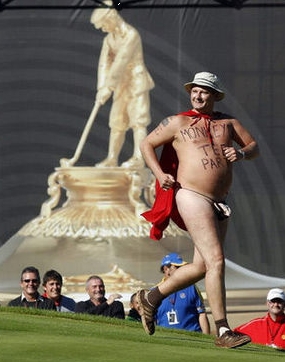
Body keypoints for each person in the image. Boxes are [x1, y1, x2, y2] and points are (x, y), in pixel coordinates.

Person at [138, 71, 259, 348]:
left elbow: (254, 147)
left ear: (215, 96)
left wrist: (241, 153)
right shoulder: (178, 121)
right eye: (194, 90)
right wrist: (158, 174)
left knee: (202, 266)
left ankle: (150, 298)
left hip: (220, 202)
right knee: (217, 260)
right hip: (191, 195)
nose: (198, 94)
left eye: (204, 91)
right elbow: (147, 144)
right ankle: (223, 329)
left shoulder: (228, 123)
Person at [90, 3, 154, 168]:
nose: (103, 29)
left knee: (138, 121)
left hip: (136, 81)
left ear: (111, 18)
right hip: (120, 84)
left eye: (103, 25)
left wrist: (108, 87)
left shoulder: (131, 35)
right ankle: (112, 158)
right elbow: (104, 64)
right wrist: (101, 88)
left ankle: (139, 158)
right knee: (117, 121)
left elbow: (121, 61)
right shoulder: (109, 39)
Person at [155, 253, 210, 334]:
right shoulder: (155, 292)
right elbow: (151, 320)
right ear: (166, 269)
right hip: (166, 340)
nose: (182, 270)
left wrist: (206, 338)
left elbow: (202, 314)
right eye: (178, 267)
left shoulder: (191, 287)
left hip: (193, 338)